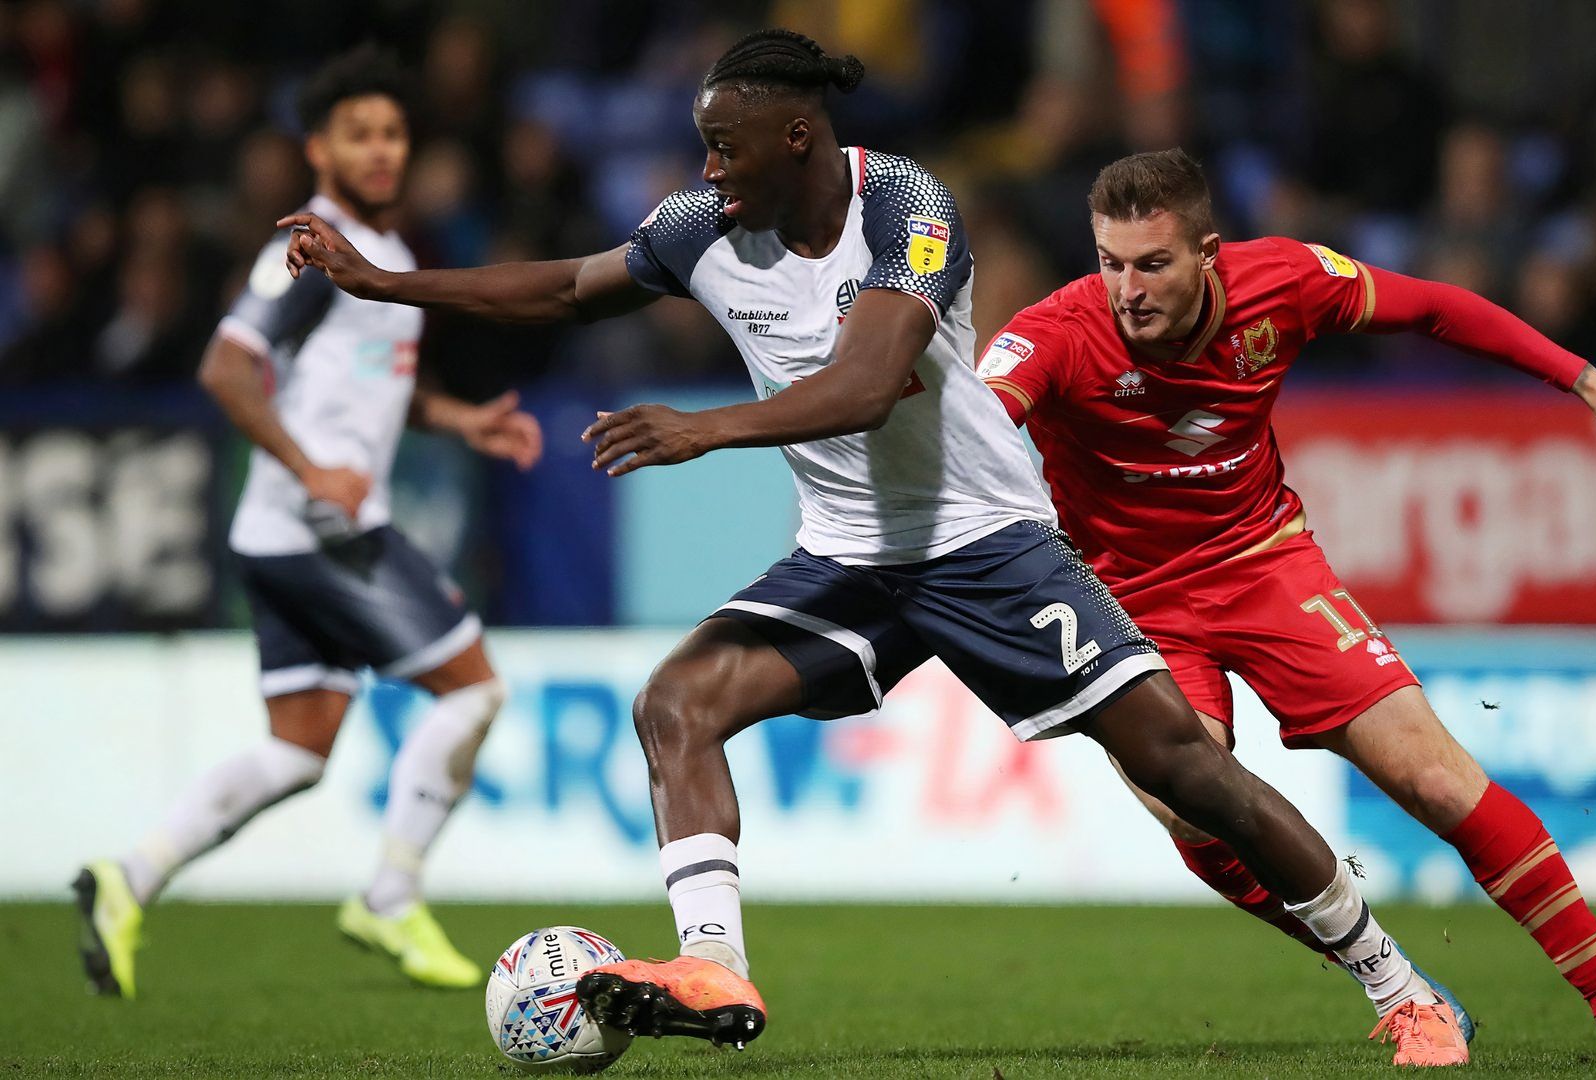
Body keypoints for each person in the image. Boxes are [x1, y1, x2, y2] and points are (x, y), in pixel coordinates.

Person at [281, 29, 1470, 1065]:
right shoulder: (703, 225)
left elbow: (864, 384)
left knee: (1186, 771)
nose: (705, 169)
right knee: (676, 704)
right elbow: (566, 289)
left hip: (987, 543)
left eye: (726, 146)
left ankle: (1401, 990)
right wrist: (389, 286)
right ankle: (714, 967)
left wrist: (709, 429)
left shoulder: (906, 205)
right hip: (852, 555)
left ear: (796, 137)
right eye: (704, 147)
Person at [975, 148, 1596, 1060]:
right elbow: (969, 431)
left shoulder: (1283, 281)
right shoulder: (1052, 333)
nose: (1128, 288)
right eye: (1110, 262)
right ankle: (1400, 983)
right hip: (1128, 603)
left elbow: (1439, 307)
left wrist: (1586, 381)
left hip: (1262, 563)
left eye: (1153, 263)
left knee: (1437, 777)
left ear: (1208, 252)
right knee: (1190, 813)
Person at [73, 46, 542, 999]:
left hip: (278, 534)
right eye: (359, 134)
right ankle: (390, 893)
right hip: (322, 529)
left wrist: (460, 418)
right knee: (475, 689)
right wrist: (308, 466)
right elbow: (226, 368)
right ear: (317, 149)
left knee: (297, 750)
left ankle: (128, 879)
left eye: (394, 133)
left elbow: (362, 392)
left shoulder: (388, 260)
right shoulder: (306, 250)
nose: (381, 151)